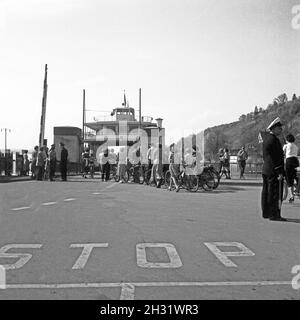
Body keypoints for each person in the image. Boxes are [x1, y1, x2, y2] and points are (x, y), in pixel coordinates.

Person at [261, 117, 286, 221]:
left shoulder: (266, 139)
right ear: (274, 128)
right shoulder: (274, 140)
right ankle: (274, 214)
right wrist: (279, 171)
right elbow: (276, 158)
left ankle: (266, 212)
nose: (281, 130)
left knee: (266, 191)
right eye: (279, 128)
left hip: (266, 169)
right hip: (273, 170)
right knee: (274, 192)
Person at [283, 134, 299, 203]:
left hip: (289, 161)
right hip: (295, 161)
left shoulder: (286, 146)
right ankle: (297, 190)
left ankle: (291, 195)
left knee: (288, 179)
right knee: (296, 176)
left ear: (287, 140)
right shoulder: (296, 146)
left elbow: (282, 153)